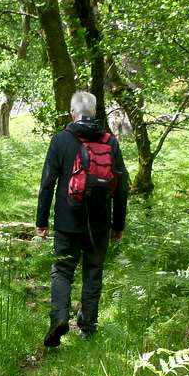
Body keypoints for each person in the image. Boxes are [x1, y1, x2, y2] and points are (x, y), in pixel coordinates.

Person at [35, 90, 129, 346]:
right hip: (100, 220)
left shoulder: (61, 140)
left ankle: (59, 317)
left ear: (72, 112)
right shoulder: (109, 141)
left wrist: (41, 221)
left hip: (67, 220)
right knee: (93, 270)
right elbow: (121, 186)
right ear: (95, 112)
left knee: (62, 271)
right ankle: (87, 328)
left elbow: (48, 183)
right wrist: (118, 224)